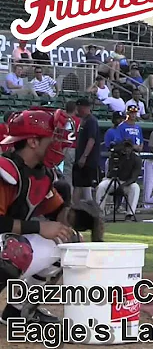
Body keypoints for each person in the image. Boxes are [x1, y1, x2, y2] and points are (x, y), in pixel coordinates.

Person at [0, 108, 103, 325]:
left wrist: (83, 217)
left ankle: (19, 310)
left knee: (69, 241)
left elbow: (58, 213)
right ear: (33, 142)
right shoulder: (5, 170)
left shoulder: (41, 173)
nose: (58, 144)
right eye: (52, 137)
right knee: (14, 250)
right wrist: (39, 229)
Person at [96, 139, 142, 220]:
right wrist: (121, 159)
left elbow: (134, 177)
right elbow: (111, 172)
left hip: (127, 183)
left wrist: (124, 185)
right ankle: (99, 213)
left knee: (135, 187)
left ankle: (130, 214)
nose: (126, 149)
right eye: (125, 146)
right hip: (113, 180)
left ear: (132, 148)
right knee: (101, 186)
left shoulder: (136, 159)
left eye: (129, 147)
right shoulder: (116, 155)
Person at [72, 98, 100, 205]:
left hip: (88, 160)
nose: (78, 110)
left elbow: (91, 139)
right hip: (80, 159)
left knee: (87, 186)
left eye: (79, 108)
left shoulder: (91, 121)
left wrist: (84, 156)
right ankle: (75, 210)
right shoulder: (83, 120)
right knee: (78, 185)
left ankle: (92, 212)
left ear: (84, 107)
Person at [62, 101, 81, 186]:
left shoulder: (63, 119)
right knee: (70, 173)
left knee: (66, 172)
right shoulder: (79, 121)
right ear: (75, 109)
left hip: (64, 147)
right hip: (74, 148)